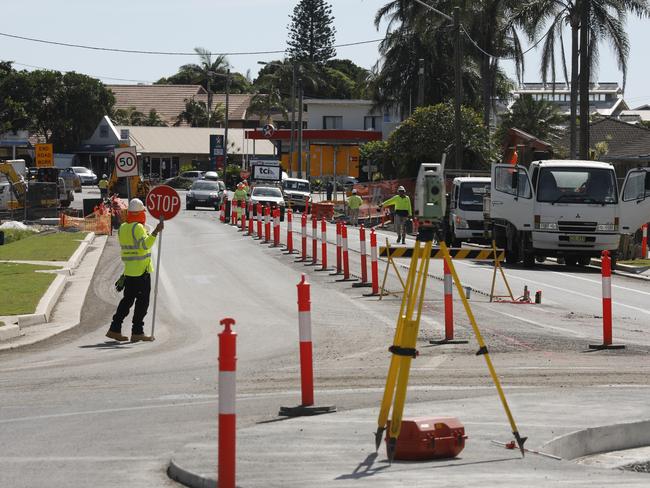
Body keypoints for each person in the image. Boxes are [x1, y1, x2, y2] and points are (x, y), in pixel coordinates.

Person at [106, 198, 164, 342]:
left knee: (126, 301)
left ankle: (115, 328)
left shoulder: (123, 228)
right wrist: (156, 231)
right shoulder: (137, 228)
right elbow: (145, 245)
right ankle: (137, 331)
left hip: (129, 272)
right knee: (142, 303)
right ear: (140, 213)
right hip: (141, 272)